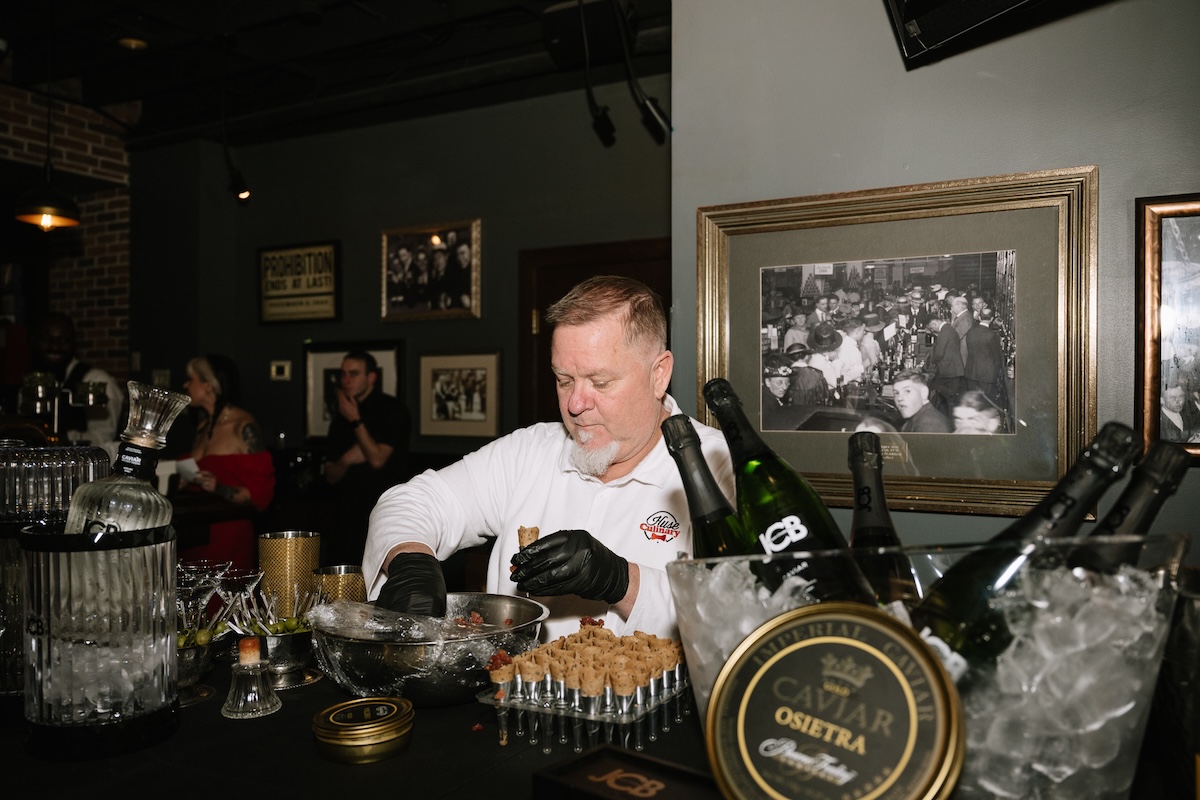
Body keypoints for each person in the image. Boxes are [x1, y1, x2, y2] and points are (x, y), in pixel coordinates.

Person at [363, 276, 734, 642]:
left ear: (659, 374)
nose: (575, 404)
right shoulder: (530, 451)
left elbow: (738, 614)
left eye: (600, 382)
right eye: (563, 380)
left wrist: (621, 580)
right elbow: (409, 501)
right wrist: (410, 560)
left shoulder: (719, 467)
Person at [176, 355, 275, 572]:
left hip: (228, 532)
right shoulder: (203, 426)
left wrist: (218, 487)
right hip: (196, 531)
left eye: (190, 379)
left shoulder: (243, 426)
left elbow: (260, 496)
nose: (185, 385)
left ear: (208, 385)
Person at [323, 350, 411, 566]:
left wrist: (355, 420)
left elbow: (377, 459)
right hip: (345, 518)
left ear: (371, 377)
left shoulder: (392, 409)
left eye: (353, 374)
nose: (346, 380)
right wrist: (346, 460)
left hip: (383, 514)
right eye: (343, 374)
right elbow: (330, 475)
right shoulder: (338, 420)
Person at [28, 311, 126, 458]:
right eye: (47, 339)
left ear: (73, 344)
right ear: (34, 341)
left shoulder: (95, 380)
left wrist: (62, 438)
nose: (55, 346)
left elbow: (103, 439)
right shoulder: (32, 381)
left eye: (63, 340)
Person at [892, 368, 952, 433]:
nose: (899, 398)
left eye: (907, 391)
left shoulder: (930, 424)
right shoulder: (919, 417)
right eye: (896, 393)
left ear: (924, 393)